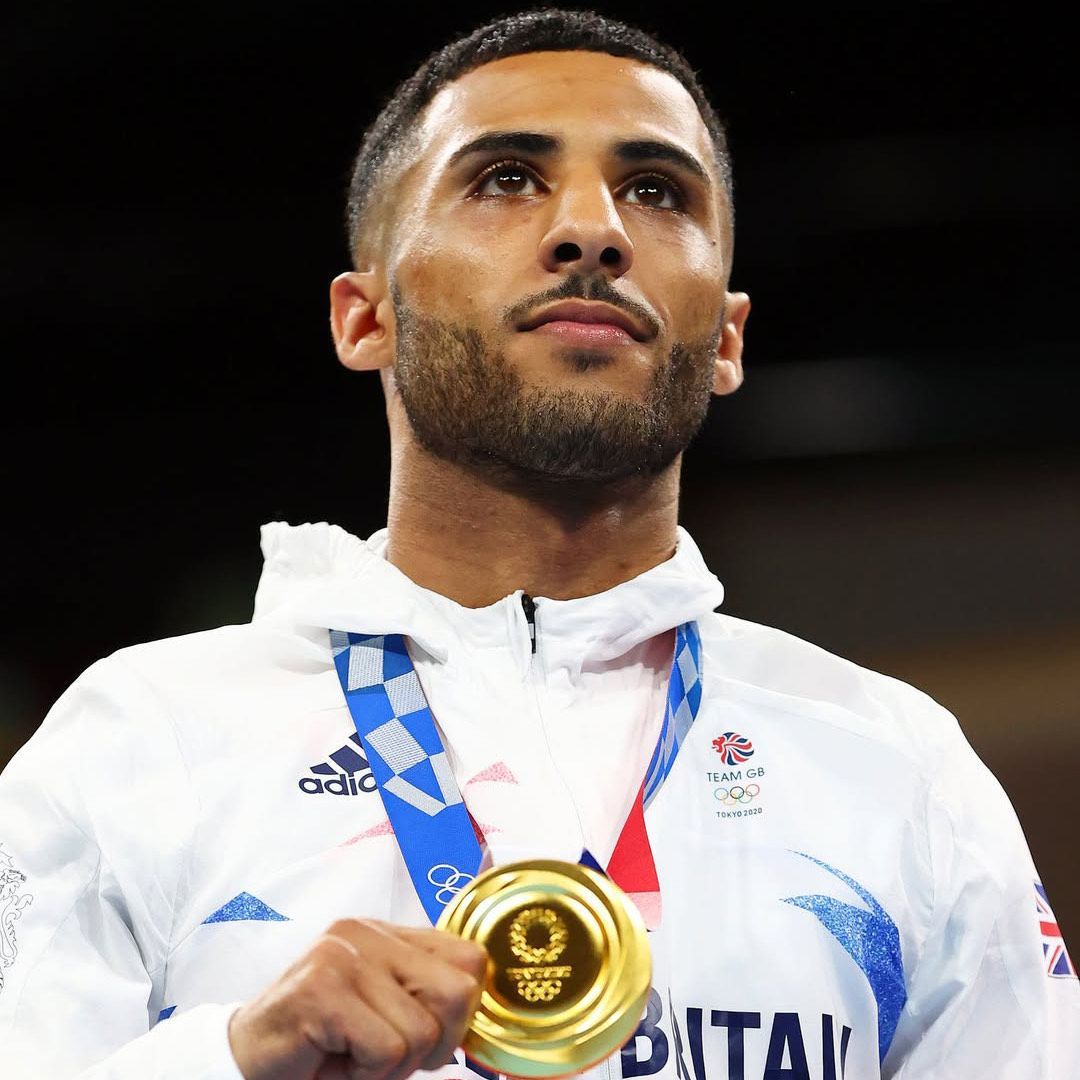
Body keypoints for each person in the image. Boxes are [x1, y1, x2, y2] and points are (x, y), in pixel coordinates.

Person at [1, 8, 1077, 1079]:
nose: (593, 230)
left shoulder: (895, 771)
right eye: (507, 178)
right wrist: (232, 1061)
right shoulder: (142, 746)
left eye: (656, 191)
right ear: (365, 318)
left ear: (726, 338)